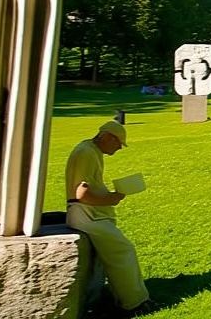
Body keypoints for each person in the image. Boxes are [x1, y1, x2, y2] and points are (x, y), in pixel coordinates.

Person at [65, 120, 155, 316]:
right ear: (107, 137)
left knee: (121, 251)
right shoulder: (86, 152)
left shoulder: (90, 151)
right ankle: (135, 303)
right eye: (118, 143)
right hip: (86, 215)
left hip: (89, 214)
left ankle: (130, 297)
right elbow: (81, 193)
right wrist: (110, 198)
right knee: (123, 251)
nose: (119, 148)